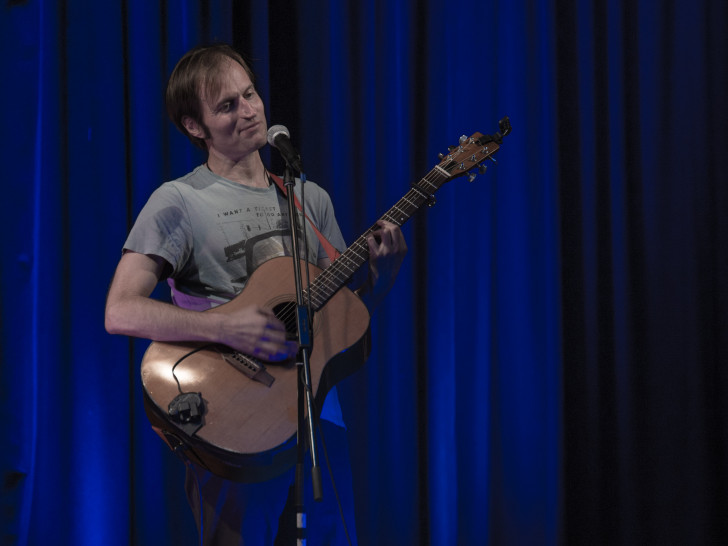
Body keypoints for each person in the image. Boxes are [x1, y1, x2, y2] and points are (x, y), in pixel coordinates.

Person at [104, 43, 407, 545]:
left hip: (317, 413)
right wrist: (224, 325)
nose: (249, 111)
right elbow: (120, 310)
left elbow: (340, 325)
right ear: (194, 127)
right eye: (227, 105)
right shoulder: (178, 201)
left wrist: (384, 278)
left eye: (250, 95)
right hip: (231, 421)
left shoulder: (309, 199)